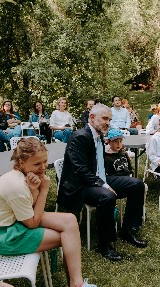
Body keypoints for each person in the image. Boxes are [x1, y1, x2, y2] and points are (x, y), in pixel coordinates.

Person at [0, 137, 114, 287]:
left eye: (45, 161)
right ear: (21, 163)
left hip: (15, 221)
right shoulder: (16, 186)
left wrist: (34, 189)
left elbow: (32, 206)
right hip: (6, 235)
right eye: (37, 164)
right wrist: (43, 190)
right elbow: (32, 223)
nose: (43, 167)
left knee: (70, 220)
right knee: (66, 236)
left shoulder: (25, 176)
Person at [56, 104, 148, 262]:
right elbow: (80, 170)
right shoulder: (80, 137)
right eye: (105, 118)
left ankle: (128, 230)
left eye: (110, 120)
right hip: (80, 185)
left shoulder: (98, 136)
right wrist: (104, 185)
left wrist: (105, 180)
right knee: (107, 196)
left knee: (137, 185)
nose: (108, 123)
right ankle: (105, 244)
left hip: (98, 178)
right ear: (92, 118)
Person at [102, 128, 147, 227]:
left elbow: (129, 169)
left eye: (120, 141)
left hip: (126, 181)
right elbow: (105, 175)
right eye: (115, 141)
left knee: (138, 187)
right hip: (115, 184)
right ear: (109, 142)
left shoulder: (123, 154)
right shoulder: (106, 156)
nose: (118, 144)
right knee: (137, 185)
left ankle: (134, 221)